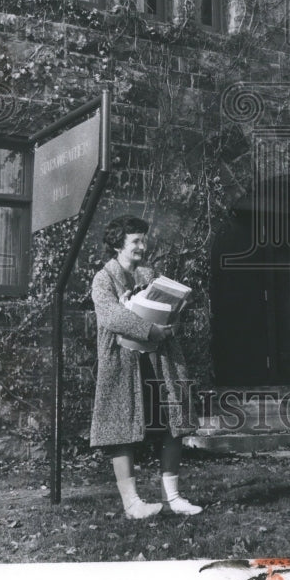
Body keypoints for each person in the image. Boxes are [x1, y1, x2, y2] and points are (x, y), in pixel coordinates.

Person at [90, 215, 201, 519]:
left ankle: (173, 497)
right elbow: (111, 317)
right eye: (135, 241)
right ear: (117, 245)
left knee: (171, 421)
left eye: (144, 239)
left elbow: (170, 311)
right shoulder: (103, 279)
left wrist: (173, 319)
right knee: (122, 428)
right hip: (123, 361)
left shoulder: (151, 275)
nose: (143, 245)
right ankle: (132, 503)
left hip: (158, 359)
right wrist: (150, 329)